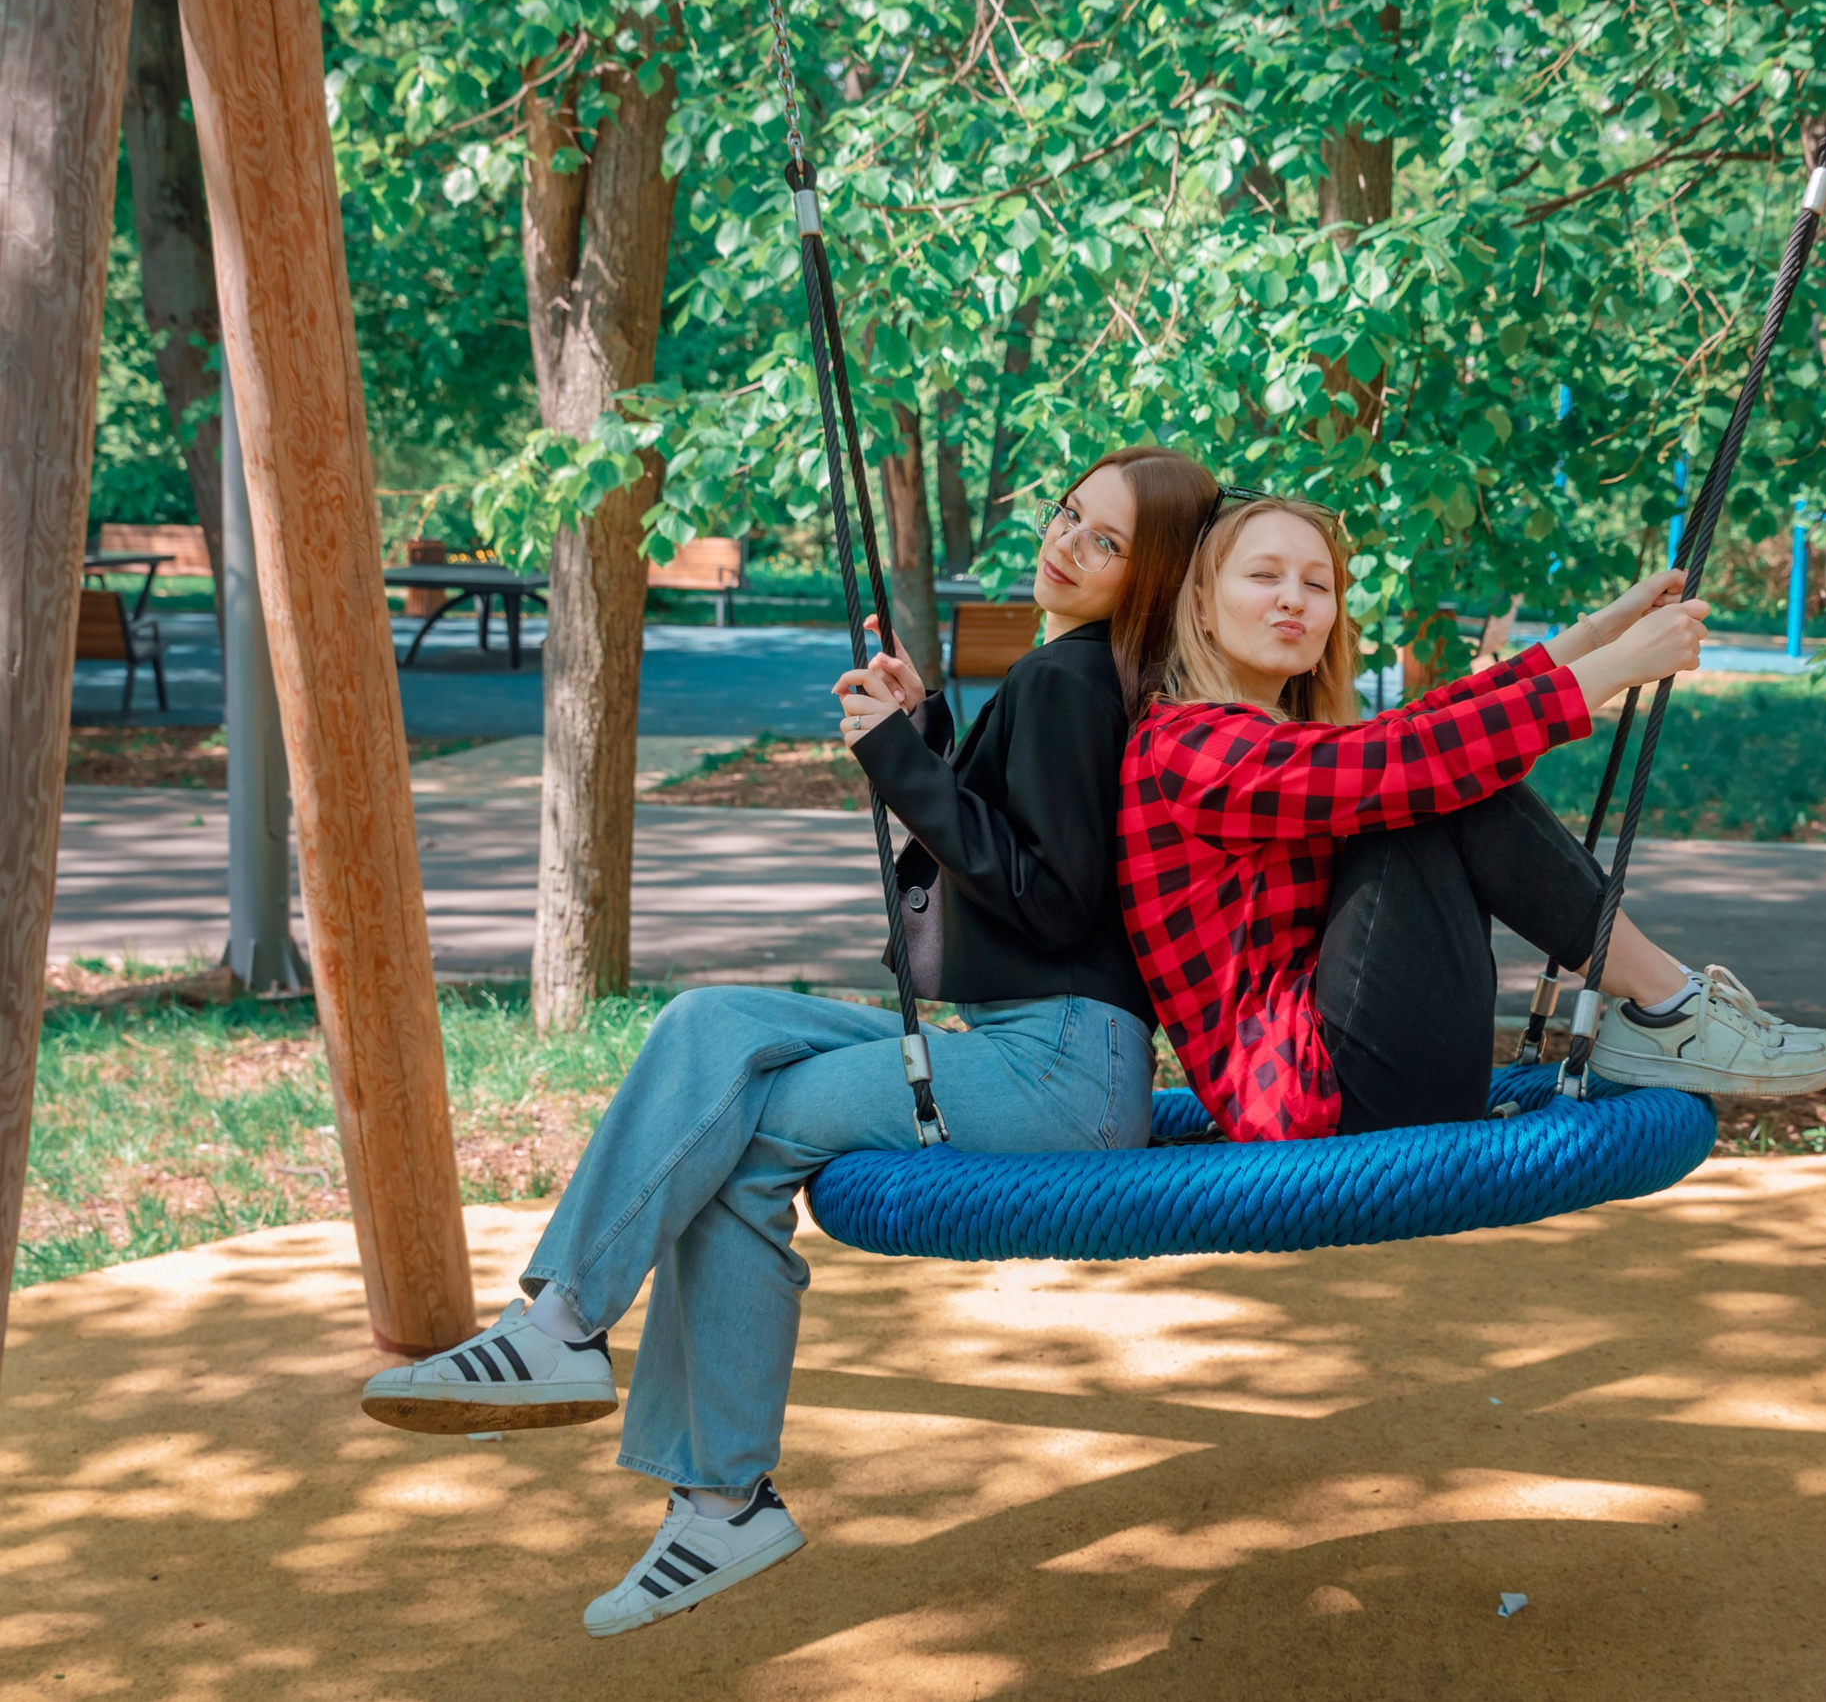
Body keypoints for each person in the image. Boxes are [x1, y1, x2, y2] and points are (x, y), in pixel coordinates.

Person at [358, 447, 1222, 1636]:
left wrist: (899, 758)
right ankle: (571, 1340)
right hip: (1030, 1044)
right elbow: (1005, 844)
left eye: (1106, 540)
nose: (1066, 542)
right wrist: (925, 727)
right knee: (716, 1024)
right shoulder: (1074, 674)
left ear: (1157, 575)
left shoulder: (1076, 680)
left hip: (1060, 1069)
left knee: (746, 1126)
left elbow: (1053, 897)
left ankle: (706, 1486)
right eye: (1069, 514)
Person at [1117, 495, 1826, 1144]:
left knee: (1431, 771)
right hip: (1322, 1100)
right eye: (1264, 576)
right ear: (1202, 604)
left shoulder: (1262, 736)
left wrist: (1596, 636)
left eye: (1318, 583)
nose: (1294, 600)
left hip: (1375, 1077)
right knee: (1428, 781)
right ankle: (1669, 1005)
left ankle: (1669, 1005)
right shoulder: (1188, 749)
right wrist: (1612, 671)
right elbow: (1408, 756)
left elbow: (1423, 725)